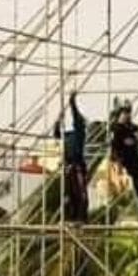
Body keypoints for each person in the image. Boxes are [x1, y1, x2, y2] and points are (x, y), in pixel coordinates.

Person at [108, 101, 138, 206]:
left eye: (128, 113)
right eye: (125, 114)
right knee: (136, 174)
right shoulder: (117, 128)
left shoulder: (129, 126)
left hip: (132, 155)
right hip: (124, 156)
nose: (127, 116)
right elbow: (124, 142)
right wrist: (135, 140)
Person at [56, 92, 89, 222]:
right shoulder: (68, 135)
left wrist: (72, 103)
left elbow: (76, 118)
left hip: (77, 166)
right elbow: (57, 133)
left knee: (79, 193)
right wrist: (58, 121)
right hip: (68, 167)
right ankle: (72, 217)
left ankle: (80, 218)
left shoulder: (79, 133)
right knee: (70, 195)